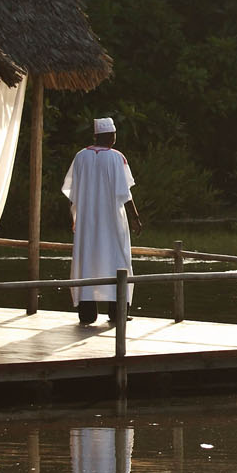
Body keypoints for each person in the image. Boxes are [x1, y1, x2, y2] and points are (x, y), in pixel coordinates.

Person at [61, 117, 144, 326]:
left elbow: (72, 194)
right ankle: (118, 313)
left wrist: (74, 216)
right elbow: (125, 194)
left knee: (87, 261)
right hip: (112, 222)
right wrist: (135, 218)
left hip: (87, 222)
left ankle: (87, 314)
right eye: (114, 135)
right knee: (118, 260)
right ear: (109, 136)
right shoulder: (117, 158)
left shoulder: (81, 157)